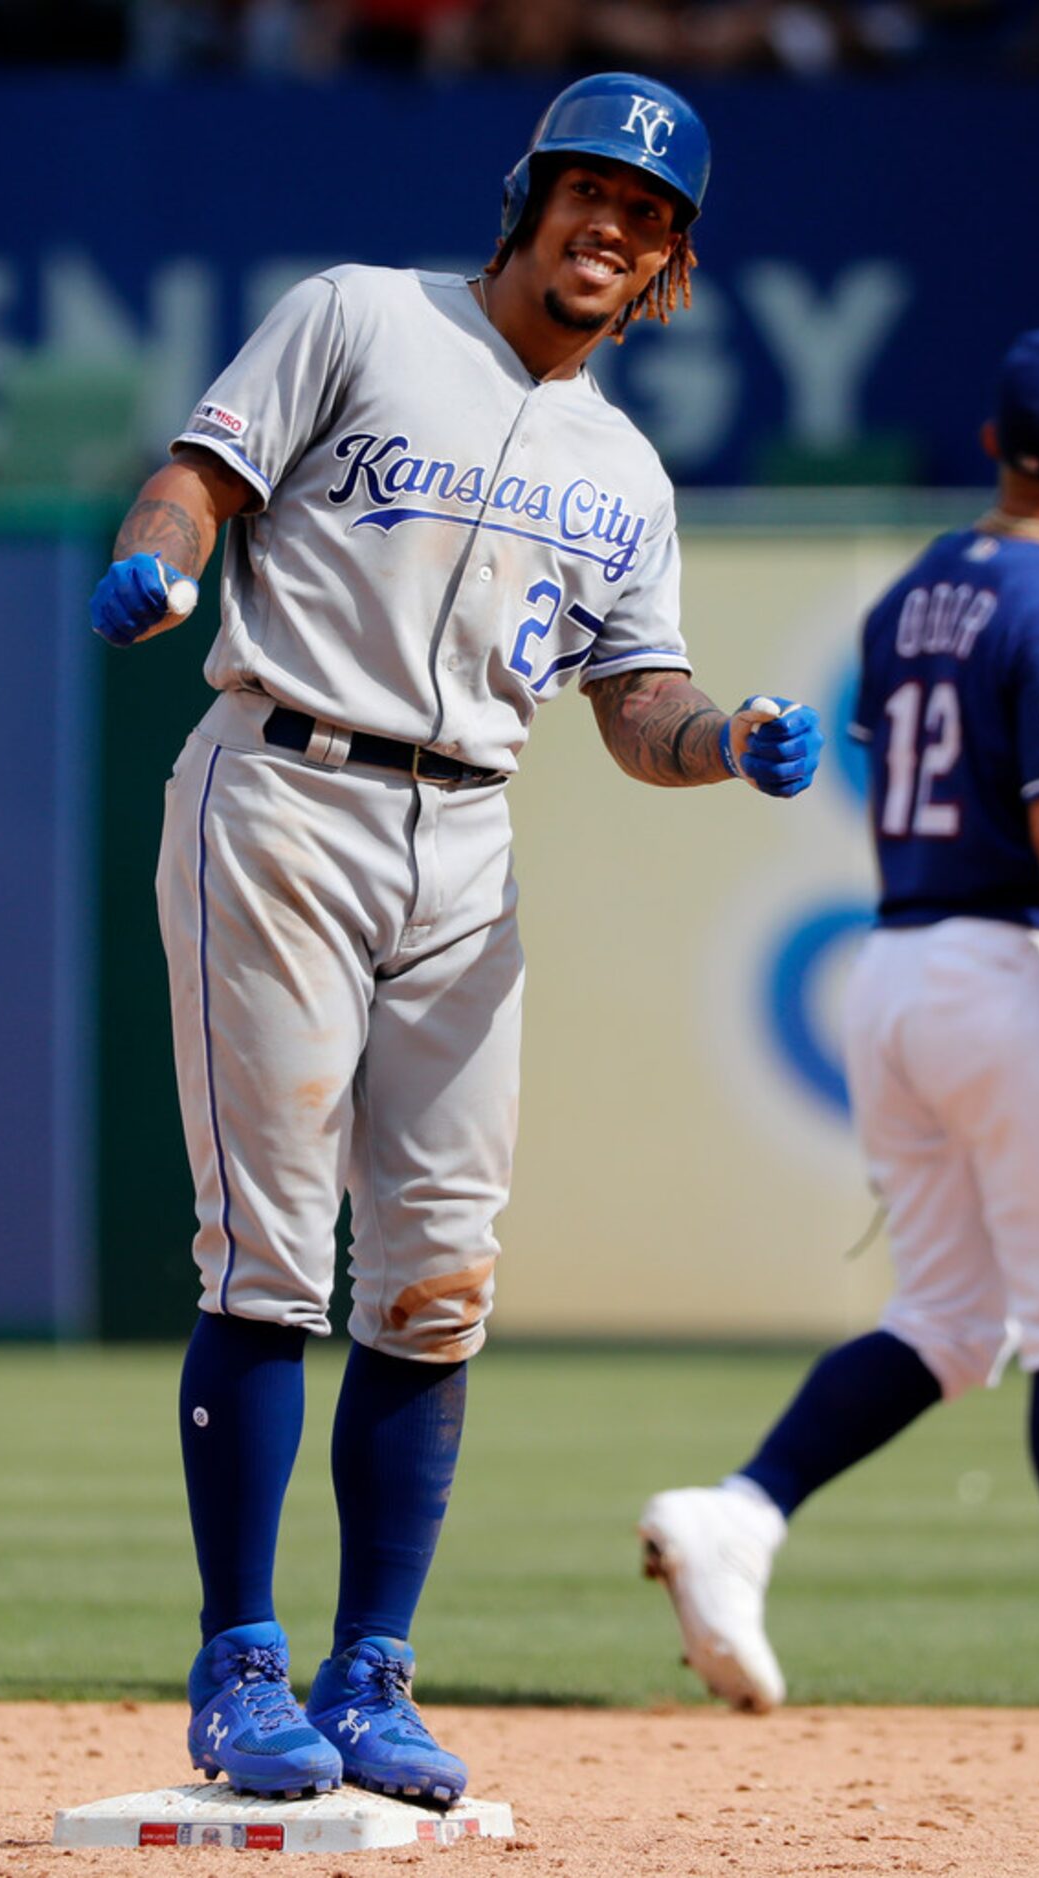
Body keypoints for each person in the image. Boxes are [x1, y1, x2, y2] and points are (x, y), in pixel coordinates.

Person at [88, 71, 823, 1807]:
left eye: (646, 217)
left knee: (437, 1272)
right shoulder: (360, 314)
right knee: (269, 1254)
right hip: (282, 787)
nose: (611, 227)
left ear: (669, 268)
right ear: (528, 197)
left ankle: (372, 1668)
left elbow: (634, 702)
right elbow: (197, 476)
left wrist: (724, 739)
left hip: (465, 836)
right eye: (589, 192)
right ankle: (239, 1662)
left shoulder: (624, 467)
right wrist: (159, 560)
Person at [639, 324, 1039, 1723]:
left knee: (948, 1315)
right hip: (1015, 973)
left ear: (996, 446)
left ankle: (738, 1514)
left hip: (895, 964)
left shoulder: (913, 591)